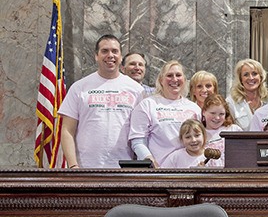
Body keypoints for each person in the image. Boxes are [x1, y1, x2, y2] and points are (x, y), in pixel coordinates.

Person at [59, 34, 144, 168]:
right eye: (104, 51)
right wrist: (73, 166)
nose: (110, 55)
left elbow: (142, 132)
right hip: (86, 168)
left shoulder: (136, 90)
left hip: (125, 168)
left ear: (121, 57)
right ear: (96, 56)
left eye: (115, 51)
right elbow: (67, 130)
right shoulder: (79, 87)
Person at [129, 60, 201, 167]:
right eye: (169, 75)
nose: (174, 79)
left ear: (185, 80)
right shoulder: (148, 105)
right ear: (161, 80)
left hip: (189, 171)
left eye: (178, 75)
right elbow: (137, 141)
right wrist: (151, 162)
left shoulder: (194, 108)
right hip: (158, 171)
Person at [226, 59, 268, 130]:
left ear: (261, 77)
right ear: (241, 79)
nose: (251, 78)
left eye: (254, 74)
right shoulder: (231, 102)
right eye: (246, 74)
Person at [202, 94, 242, 168]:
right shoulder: (199, 134)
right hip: (208, 175)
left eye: (221, 114)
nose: (217, 117)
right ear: (204, 112)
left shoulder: (233, 130)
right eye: (213, 113)